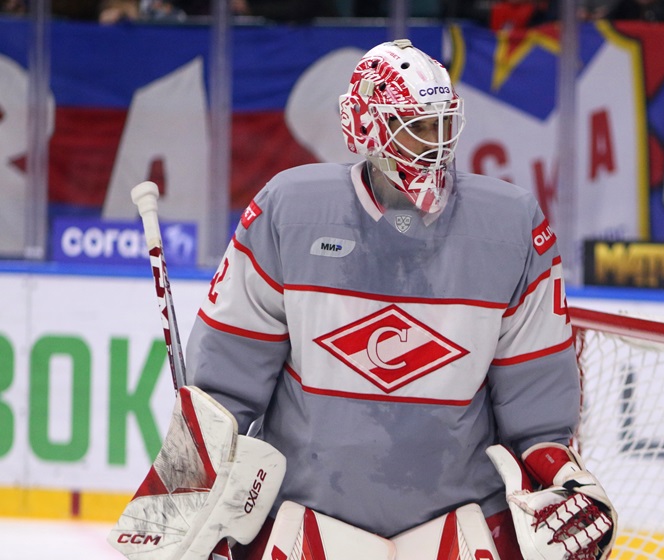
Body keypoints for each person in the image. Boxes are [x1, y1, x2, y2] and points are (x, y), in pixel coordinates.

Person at [111, 39, 617, 560]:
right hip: (303, 522)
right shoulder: (290, 212)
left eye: (442, 124)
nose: (436, 143)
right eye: (415, 125)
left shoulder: (510, 226)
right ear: (366, 126)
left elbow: (535, 399)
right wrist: (185, 490)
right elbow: (225, 385)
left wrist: (563, 476)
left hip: (461, 525)